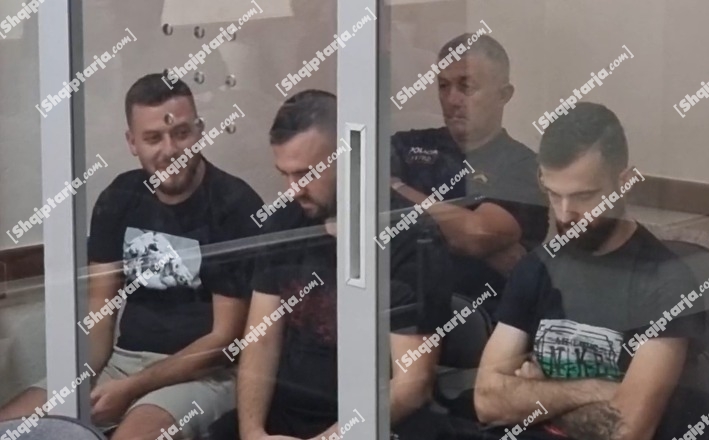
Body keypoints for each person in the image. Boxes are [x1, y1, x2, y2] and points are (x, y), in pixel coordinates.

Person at [0, 74, 288, 439]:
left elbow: (223, 339)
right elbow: (100, 318)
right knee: (12, 427)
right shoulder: (119, 197)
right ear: (132, 142)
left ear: (199, 131)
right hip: (123, 362)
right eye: (153, 138)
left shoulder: (233, 204)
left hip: (204, 374)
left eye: (181, 133)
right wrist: (80, 382)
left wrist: (132, 388)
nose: (170, 149)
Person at [473, 103, 709, 440]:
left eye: (584, 196)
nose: (565, 213)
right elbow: (487, 401)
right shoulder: (537, 267)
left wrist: (538, 392)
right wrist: (596, 390)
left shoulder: (668, 282)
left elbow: (627, 430)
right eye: (554, 194)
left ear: (625, 183)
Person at [229, 90, 452, 440]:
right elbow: (261, 341)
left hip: (372, 423)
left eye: (305, 174)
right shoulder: (284, 223)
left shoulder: (409, 236)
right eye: (284, 174)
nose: (293, 189)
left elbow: (412, 384)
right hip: (285, 418)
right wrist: (253, 432)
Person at [390, 34, 548, 317]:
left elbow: (474, 236)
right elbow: (353, 204)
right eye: (444, 86)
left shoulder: (522, 165)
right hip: (398, 311)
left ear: (504, 95)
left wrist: (396, 188)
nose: (452, 99)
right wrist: (456, 231)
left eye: (467, 87)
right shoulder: (406, 145)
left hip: (481, 320)